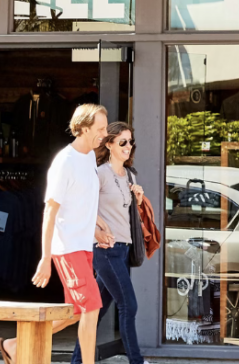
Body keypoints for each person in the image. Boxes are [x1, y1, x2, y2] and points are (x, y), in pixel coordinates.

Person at [0, 104, 108, 364]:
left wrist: (96, 227)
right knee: (92, 307)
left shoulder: (90, 157)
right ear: (82, 128)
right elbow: (50, 212)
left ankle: (15, 345)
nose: (104, 134)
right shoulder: (65, 162)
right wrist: (45, 258)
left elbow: (82, 202)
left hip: (83, 245)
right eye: (100, 128)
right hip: (67, 247)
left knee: (76, 312)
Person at [71, 122, 149, 364]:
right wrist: (96, 232)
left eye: (130, 141)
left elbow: (127, 216)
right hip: (106, 251)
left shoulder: (130, 175)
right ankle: (136, 361)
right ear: (109, 144)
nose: (128, 146)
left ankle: (77, 361)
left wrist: (138, 200)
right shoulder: (99, 174)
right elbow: (81, 207)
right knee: (129, 306)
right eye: (122, 142)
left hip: (123, 250)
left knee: (97, 310)